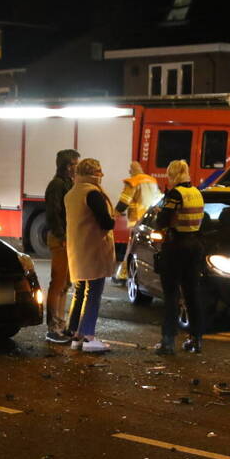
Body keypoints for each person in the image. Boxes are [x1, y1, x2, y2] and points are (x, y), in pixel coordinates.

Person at [64, 157, 117, 353]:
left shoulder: (71, 193)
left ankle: (76, 335)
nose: (101, 177)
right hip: (94, 249)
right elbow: (105, 222)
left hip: (77, 250)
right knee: (93, 293)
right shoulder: (92, 193)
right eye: (99, 173)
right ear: (95, 174)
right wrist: (113, 220)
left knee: (81, 292)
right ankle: (88, 336)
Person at [154, 159, 206, 355]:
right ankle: (196, 339)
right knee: (192, 293)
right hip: (195, 245)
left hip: (176, 246)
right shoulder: (197, 193)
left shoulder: (175, 194)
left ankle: (168, 341)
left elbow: (162, 221)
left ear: (173, 175)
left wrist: (161, 213)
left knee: (171, 294)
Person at [43, 149, 79, 343]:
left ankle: (60, 324)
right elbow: (53, 213)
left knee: (64, 284)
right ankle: (53, 327)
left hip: (67, 238)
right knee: (58, 283)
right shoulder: (57, 185)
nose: (77, 168)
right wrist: (61, 235)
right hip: (61, 240)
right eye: (75, 164)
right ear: (68, 166)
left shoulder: (66, 183)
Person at [113, 161, 161, 281]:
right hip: (149, 220)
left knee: (131, 247)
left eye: (130, 169)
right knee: (142, 248)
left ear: (132, 170)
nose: (129, 172)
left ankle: (124, 274)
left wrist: (113, 215)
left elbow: (124, 201)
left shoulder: (133, 182)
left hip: (137, 219)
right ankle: (128, 273)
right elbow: (159, 197)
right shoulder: (152, 181)